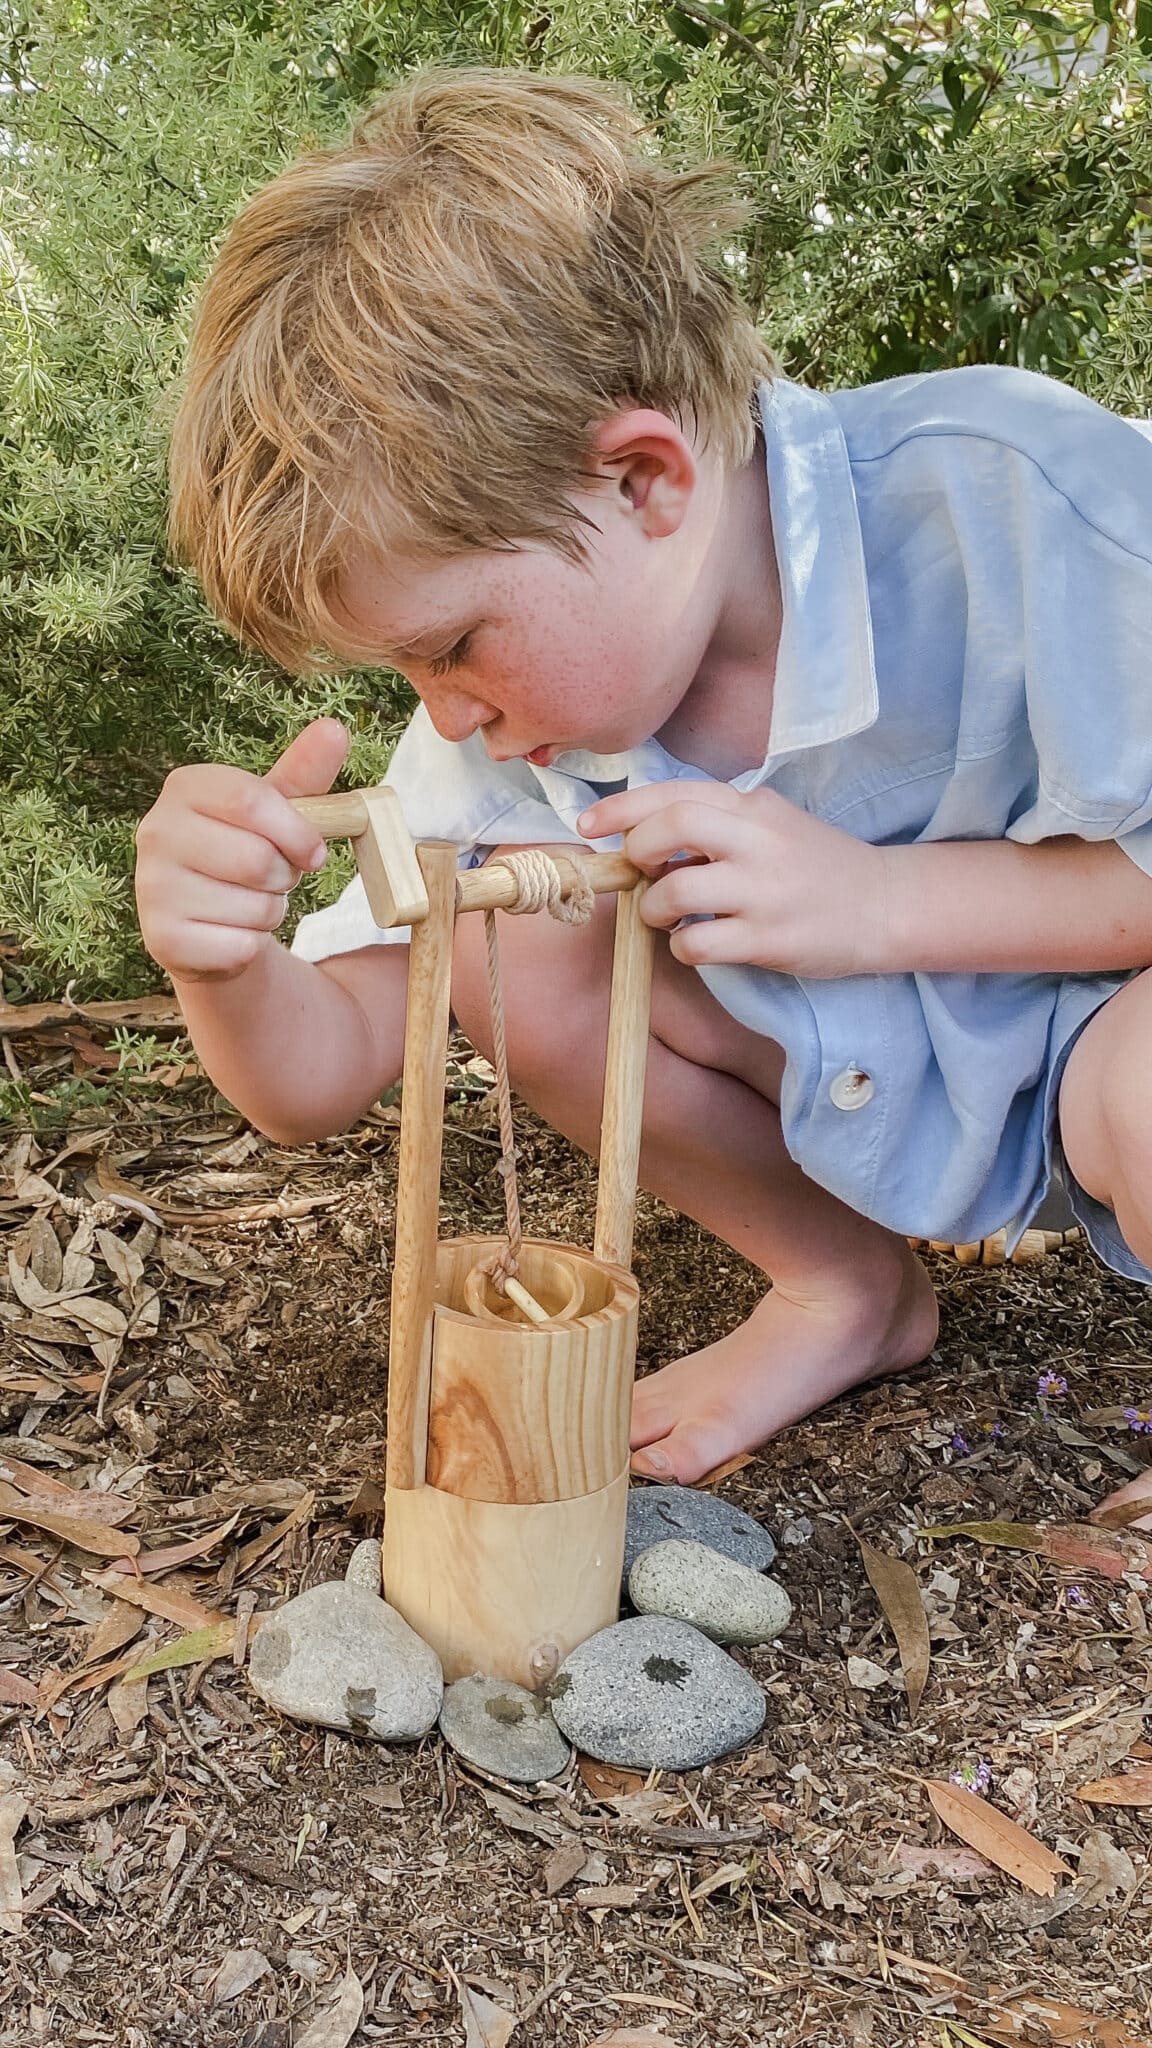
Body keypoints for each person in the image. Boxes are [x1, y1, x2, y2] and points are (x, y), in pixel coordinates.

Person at [137, 65, 1152, 1523]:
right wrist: (213, 954)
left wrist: (875, 903)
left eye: (455, 646)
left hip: (1124, 1012)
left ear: (645, 482)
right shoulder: (522, 733)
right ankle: (841, 1287)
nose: (445, 712)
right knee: (504, 945)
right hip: (947, 1079)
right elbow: (324, 1067)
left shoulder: (1014, 493)